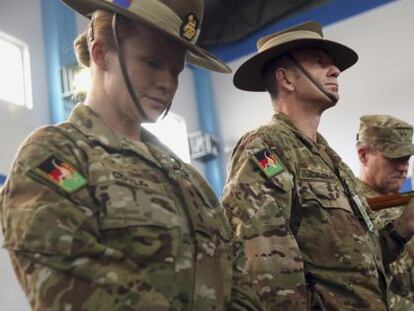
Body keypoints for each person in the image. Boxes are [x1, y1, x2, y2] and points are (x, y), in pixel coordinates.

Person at [0, 0, 260, 310]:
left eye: (176, 71)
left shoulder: (191, 181)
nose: (167, 83)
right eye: (152, 62)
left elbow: (239, 280)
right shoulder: (56, 155)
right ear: (100, 54)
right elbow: (74, 286)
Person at [221, 20, 414, 310]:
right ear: (287, 80)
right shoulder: (266, 148)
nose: (335, 70)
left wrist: (403, 226)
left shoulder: (332, 162)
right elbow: (263, 261)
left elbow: (360, 259)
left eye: (332, 65)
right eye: (319, 63)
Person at [357, 114, 414, 309]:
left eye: (406, 158)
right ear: (363, 155)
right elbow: (355, 281)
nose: (403, 167)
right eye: (394, 158)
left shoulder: (405, 202)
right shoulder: (347, 207)